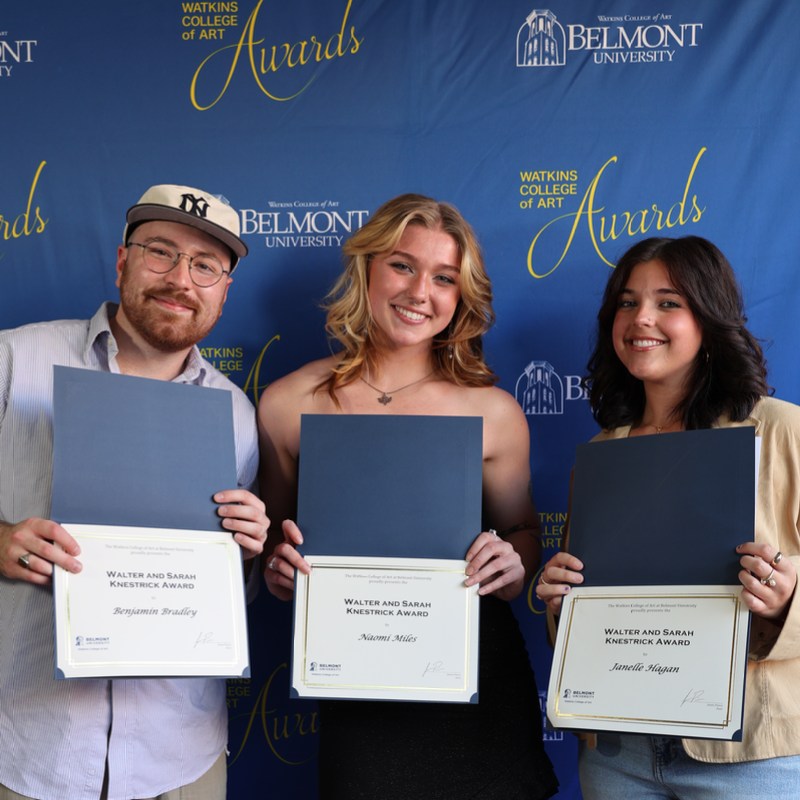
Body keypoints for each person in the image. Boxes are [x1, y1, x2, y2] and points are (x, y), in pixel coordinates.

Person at [258, 193, 559, 799]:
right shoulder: (289, 403)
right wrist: (278, 567)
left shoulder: (493, 411)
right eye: (402, 265)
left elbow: (523, 532)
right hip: (356, 684)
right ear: (366, 269)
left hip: (479, 685)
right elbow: (274, 540)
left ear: (461, 295)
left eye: (444, 277)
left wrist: (512, 563)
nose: (421, 292)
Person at [0, 184, 269, 800]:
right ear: (123, 261)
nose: (181, 279)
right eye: (161, 252)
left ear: (224, 292)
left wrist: (245, 553)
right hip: (28, 748)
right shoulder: (14, 359)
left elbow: (233, 593)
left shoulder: (234, 412)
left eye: (205, 266)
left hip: (178, 757)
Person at [536, 236, 800, 798]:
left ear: (709, 318)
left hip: (749, 755)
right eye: (627, 302)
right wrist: (562, 603)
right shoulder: (602, 454)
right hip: (618, 753)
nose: (641, 318)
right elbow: (588, 622)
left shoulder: (781, 431)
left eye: (668, 302)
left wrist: (786, 598)